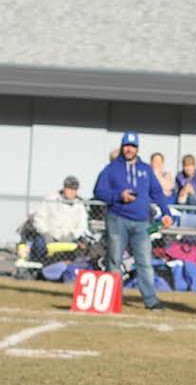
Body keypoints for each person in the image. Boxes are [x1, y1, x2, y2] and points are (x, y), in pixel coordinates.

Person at [92, 131, 175, 310]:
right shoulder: (111, 169)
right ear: (122, 147)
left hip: (141, 222)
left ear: (137, 148)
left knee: (144, 261)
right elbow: (99, 191)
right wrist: (118, 196)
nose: (129, 149)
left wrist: (166, 211)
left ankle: (151, 301)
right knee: (114, 260)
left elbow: (157, 192)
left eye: (133, 146)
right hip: (117, 219)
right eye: (126, 146)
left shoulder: (145, 170)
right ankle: (113, 300)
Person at [29, 175, 90, 262]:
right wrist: (46, 233)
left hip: (70, 238)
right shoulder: (51, 199)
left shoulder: (79, 205)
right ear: (64, 188)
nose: (71, 192)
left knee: (82, 248)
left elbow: (82, 225)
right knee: (39, 244)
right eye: (69, 188)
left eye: (74, 189)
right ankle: (38, 267)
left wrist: (72, 235)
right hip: (50, 236)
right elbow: (39, 218)